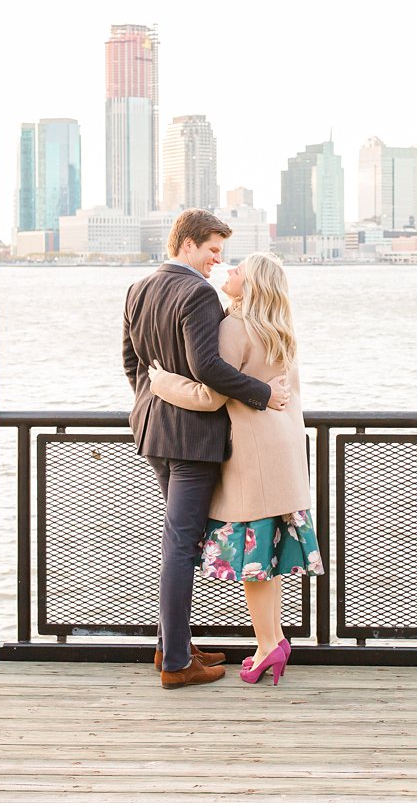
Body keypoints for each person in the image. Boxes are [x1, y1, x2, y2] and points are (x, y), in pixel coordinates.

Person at [122, 209, 292, 690]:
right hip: (193, 439)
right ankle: (177, 662)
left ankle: (169, 645)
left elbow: (131, 362)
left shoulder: (139, 288)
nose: (217, 261)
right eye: (213, 250)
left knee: (178, 541)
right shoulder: (197, 293)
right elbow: (208, 368)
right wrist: (264, 395)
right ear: (187, 244)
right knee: (180, 545)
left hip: (153, 431)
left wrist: (149, 404)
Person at [147, 252, 322, 686]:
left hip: (252, 457)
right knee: (270, 558)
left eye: (239, 270)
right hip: (282, 451)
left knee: (254, 561)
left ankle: (267, 645)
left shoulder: (236, 327)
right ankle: (274, 639)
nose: (229, 272)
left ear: (253, 285)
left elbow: (210, 394)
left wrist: (164, 383)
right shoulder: (281, 330)